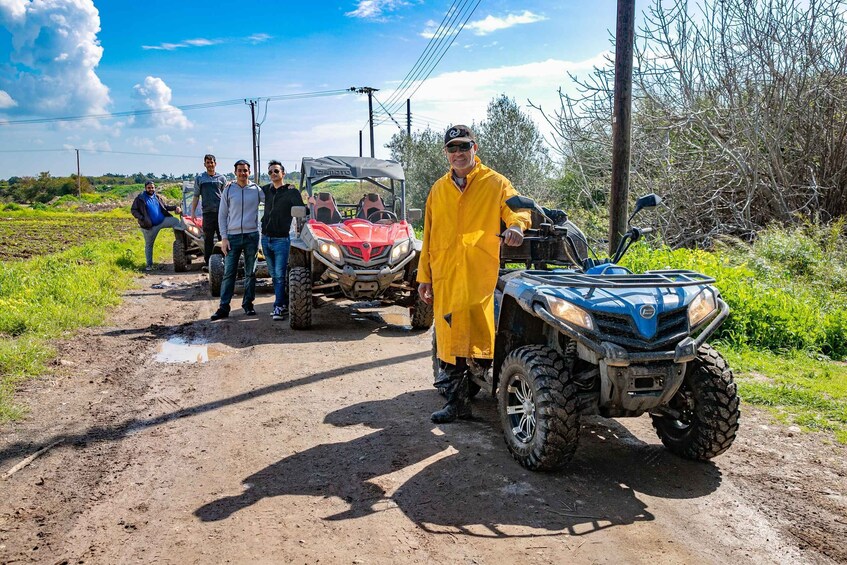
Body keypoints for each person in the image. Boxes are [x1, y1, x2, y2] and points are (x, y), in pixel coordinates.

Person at [417, 125, 531, 423]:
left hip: (479, 275)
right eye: (452, 148)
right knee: (450, 339)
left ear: (474, 148)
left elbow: (517, 210)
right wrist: (424, 277)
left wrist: (517, 227)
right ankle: (457, 403)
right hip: (445, 275)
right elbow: (428, 236)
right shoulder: (438, 190)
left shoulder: (495, 182)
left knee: (482, 338)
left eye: (463, 147)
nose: (458, 153)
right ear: (446, 153)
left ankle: (488, 386)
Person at [211, 160, 264, 320]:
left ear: (249, 172)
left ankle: (248, 305)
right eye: (240, 170)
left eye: (245, 171)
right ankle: (223, 307)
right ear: (235, 172)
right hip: (232, 237)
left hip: (251, 236)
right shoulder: (228, 190)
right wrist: (224, 238)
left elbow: (273, 200)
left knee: (251, 273)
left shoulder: (256, 190)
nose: (243, 173)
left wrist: (286, 189)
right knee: (228, 273)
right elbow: (222, 215)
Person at [261, 160, 305, 321]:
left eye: (276, 171)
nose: (273, 174)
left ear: (283, 173)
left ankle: (278, 307)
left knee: (279, 275)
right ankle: (284, 302)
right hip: (265, 238)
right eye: (271, 172)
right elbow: (249, 191)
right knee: (274, 275)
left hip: (281, 239)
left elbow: (301, 209)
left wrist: (311, 205)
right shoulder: (265, 190)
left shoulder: (291, 192)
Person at [130, 180, 183, 272]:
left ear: (155, 188)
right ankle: (149, 265)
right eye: (149, 188)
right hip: (150, 226)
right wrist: (142, 218)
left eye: (152, 187)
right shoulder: (140, 198)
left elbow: (165, 207)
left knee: (176, 221)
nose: (151, 189)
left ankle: (181, 243)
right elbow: (133, 210)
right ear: (145, 188)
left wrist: (175, 207)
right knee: (149, 245)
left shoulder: (157, 197)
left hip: (162, 221)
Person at [190, 154, 227, 272]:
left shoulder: (221, 178)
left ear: (215, 164)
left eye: (212, 162)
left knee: (223, 237)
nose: (210, 165)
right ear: (204, 164)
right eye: (208, 162)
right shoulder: (200, 178)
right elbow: (196, 196)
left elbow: (226, 196)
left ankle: (225, 261)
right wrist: (193, 213)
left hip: (221, 213)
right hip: (207, 213)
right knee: (208, 240)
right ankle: (208, 263)